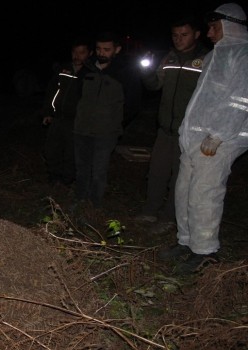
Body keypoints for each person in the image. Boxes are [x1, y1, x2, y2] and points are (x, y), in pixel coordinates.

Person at [160, 3, 248, 273]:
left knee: (204, 194)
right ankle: (187, 242)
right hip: (195, 139)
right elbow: (202, 100)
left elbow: (240, 101)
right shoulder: (213, 57)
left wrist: (219, 135)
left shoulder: (243, 55)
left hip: (221, 139)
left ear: (231, 25)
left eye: (214, 27)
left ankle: (206, 251)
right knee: (184, 191)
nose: (209, 33)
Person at [135, 15, 209, 225]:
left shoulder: (207, 59)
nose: (178, 39)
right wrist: (146, 72)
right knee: (157, 171)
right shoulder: (169, 58)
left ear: (196, 34)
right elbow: (154, 85)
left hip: (190, 131)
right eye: (175, 35)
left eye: (184, 35)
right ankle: (150, 210)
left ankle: (170, 217)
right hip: (165, 128)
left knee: (180, 177)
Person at [73, 31, 142, 208]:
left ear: (117, 49)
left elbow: (133, 103)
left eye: (106, 49)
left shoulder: (125, 73)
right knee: (82, 170)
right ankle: (79, 202)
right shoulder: (87, 69)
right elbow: (76, 96)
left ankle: (93, 207)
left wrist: (116, 123)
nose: (101, 53)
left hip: (106, 133)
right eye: (98, 49)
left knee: (98, 171)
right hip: (82, 130)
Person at [41, 38, 92, 186]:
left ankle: (68, 179)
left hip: (77, 121)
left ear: (89, 53)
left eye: (81, 53)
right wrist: (47, 112)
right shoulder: (63, 69)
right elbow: (51, 92)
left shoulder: (91, 73)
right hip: (57, 117)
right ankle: (54, 176)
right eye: (74, 52)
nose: (77, 56)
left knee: (72, 152)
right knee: (51, 149)